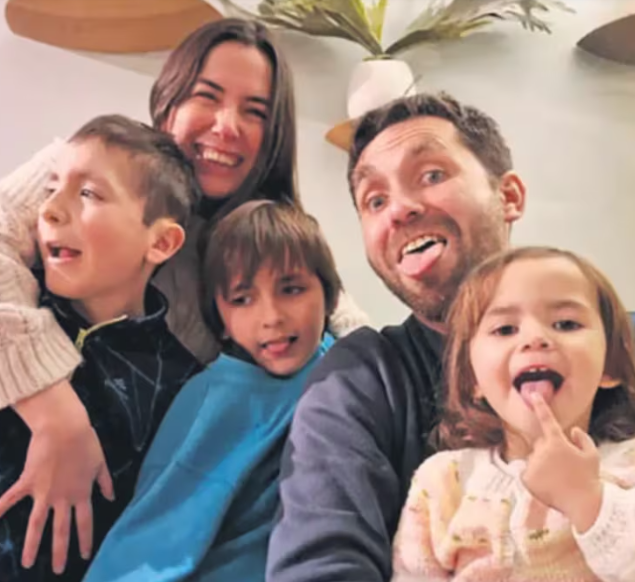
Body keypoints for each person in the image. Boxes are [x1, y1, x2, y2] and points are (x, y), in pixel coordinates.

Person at [0, 18, 368, 573]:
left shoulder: (261, 239)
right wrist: (56, 414)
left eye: (255, 111)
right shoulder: (84, 167)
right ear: (169, 99)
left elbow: (346, 327)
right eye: (207, 96)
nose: (227, 126)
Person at [267, 92, 527, 581]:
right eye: (375, 200)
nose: (400, 210)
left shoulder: (617, 345)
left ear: (508, 196)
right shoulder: (359, 379)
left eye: (431, 175)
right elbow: (320, 564)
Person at [83, 200, 341, 582]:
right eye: (242, 299)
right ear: (219, 319)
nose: (271, 317)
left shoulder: (354, 372)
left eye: (292, 289)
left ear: (329, 296)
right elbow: (148, 543)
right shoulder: (207, 402)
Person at [0, 114, 202, 582]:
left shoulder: (184, 383)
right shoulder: (15, 312)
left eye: (88, 193)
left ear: (161, 242)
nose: (50, 210)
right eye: (51, 188)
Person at [392, 246, 635, 581]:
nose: (535, 339)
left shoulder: (627, 465)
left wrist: (587, 500)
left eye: (566, 323)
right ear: (472, 379)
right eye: (505, 329)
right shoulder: (443, 483)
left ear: (610, 364)